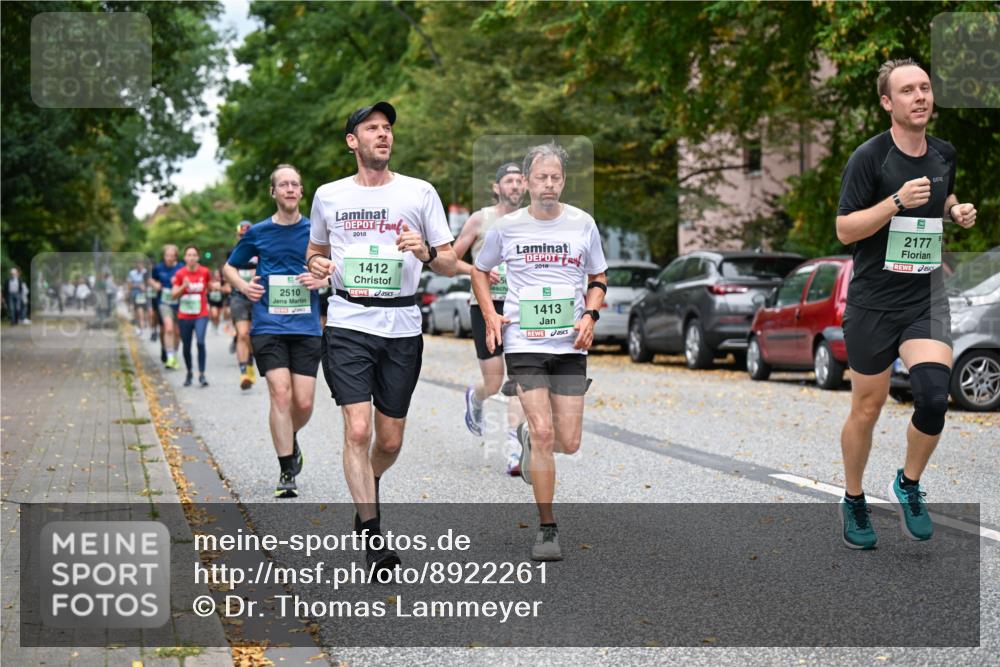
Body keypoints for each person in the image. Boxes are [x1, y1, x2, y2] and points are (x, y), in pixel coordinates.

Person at [306, 101, 457, 571]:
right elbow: (313, 253)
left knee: (388, 442)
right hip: (349, 321)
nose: (383, 134)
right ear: (353, 141)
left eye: (387, 128)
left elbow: (450, 263)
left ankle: (365, 490)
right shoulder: (329, 195)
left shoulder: (420, 192)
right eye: (372, 128)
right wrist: (318, 266)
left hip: (402, 326)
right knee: (357, 428)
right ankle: (373, 535)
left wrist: (427, 251)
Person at [835, 58, 977, 550]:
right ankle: (854, 499)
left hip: (925, 298)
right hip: (873, 303)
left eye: (925, 87)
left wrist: (953, 209)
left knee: (935, 396)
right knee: (867, 407)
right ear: (887, 103)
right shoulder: (869, 159)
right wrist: (895, 202)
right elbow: (846, 229)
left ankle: (909, 484)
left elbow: (939, 194)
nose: (920, 96)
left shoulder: (943, 153)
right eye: (908, 90)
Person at [471, 142, 608, 562]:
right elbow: (479, 270)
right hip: (524, 344)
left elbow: (598, 276)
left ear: (563, 181)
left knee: (567, 440)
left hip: (569, 344)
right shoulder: (506, 227)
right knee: (547, 434)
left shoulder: (583, 224)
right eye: (540, 178)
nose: (548, 185)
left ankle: (531, 438)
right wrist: (492, 316)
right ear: (527, 182)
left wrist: (590, 315)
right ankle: (548, 529)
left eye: (556, 178)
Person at [226, 164, 325, 498]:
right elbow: (229, 267)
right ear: (273, 192)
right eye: (283, 184)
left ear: (301, 191)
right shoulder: (258, 231)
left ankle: (290, 438)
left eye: (295, 184)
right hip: (268, 323)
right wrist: (243, 286)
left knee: (304, 402)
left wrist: (322, 280)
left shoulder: (316, 231)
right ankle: (286, 471)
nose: (290, 189)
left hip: (307, 326)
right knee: (280, 394)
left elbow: (334, 267)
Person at [452, 162, 527, 475]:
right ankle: (478, 396)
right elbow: (450, 259)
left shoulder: (534, 221)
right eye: (509, 181)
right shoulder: (480, 219)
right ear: (497, 187)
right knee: (495, 380)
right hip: (485, 305)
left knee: (521, 380)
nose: (515, 186)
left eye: (519, 181)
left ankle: (514, 451)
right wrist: (478, 271)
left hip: (521, 307)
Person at [171, 245, 212, 387]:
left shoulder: (205, 272)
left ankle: (202, 374)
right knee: (186, 346)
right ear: (185, 258)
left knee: (200, 342)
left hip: (201, 313)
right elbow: (173, 295)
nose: (191, 258)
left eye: (194, 255)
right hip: (184, 315)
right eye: (189, 255)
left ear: (198, 257)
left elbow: (210, 287)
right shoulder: (180, 274)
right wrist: (183, 286)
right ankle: (189, 372)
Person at [229, 221, 258, 390]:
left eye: (247, 235)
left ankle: (250, 364)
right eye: (241, 235)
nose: (244, 238)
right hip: (238, 297)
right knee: (242, 333)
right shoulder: (232, 254)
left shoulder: (260, 251)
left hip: (257, 297)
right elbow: (227, 273)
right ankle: (244, 373)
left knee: (253, 335)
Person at [150, 245, 182, 369]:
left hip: (179, 302)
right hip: (163, 302)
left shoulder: (181, 268)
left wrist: (179, 283)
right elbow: (150, 279)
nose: (169, 258)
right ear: (164, 256)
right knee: (168, 328)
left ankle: (173, 352)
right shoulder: (158, 268)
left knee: (177, 332)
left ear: (176, 256)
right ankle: (170, 357)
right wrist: (155, 284)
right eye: (167, 255)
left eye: (172, 256)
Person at [127, 260, 149, 334]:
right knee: (138, 313)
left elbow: (150, 283)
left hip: (145, 295)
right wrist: (138, 286)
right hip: (136, 295)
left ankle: (143, 325)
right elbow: (129, 286)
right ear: (136, 265)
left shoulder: (146, 272)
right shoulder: (132, 273)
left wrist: (146, 286)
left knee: (145, 313)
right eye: (138, 264)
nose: (140, 266)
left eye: (141, 264)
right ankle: (140, 328)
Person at [207, 267, 226, 333]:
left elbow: (226, 289)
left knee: (218, 316)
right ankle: (213, 323)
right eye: (216, 273)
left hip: (220, 300)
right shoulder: (210, 280)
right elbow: (207, 289)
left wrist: (220, 289)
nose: (217, 275)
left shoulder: (222, 281)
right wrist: (212, 288)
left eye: (218, 273)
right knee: (214, 314)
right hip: (212, 300)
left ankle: (216, 327)